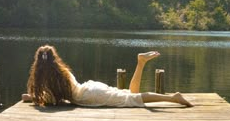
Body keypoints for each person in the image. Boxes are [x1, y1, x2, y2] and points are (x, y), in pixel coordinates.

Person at [22, 45, 193, 108]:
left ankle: (173, 98)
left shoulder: (48, 82)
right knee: (130, 94)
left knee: (132, 100)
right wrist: (34, 96)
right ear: (54, 58)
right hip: (90, 87)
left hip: (90, 96)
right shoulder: (62, 71)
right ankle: (140, 63)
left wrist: (33, 98)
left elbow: (52, 100)